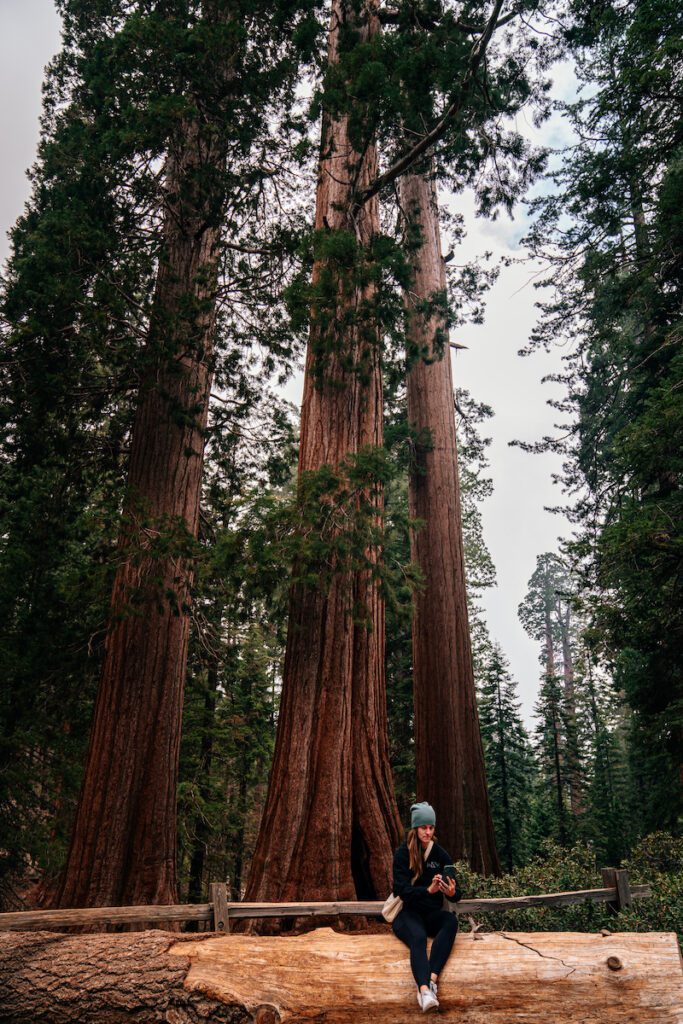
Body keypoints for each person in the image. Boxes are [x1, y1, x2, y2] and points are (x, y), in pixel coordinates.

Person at [391, 801, 461, 1013]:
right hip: (408, 914)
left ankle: (430, 981)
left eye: (431, 827)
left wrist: (451, 892)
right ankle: (423, 991)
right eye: (424, 828)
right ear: (415, 828)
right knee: (418, 937)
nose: (428, 832)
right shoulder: (403, 854)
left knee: (450, 921)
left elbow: (457, 893)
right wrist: (427, 891)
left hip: (431, 914)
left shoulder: (440, 855)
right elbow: (401, 890)